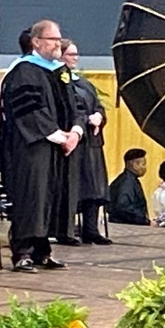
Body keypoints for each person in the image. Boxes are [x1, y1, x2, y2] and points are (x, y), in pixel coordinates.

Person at [0, 19, 83, 273]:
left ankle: (43, 251)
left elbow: (77, 106)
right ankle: (23, 252)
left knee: (52, 197)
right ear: (37, 42)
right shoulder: (23, 72)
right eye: (53, 40)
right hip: (32, 149)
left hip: (60, 148)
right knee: (32, 197)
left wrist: (76, 132)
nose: (58, 44)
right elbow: (29, 111)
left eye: (59, 39)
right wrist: (59, 136)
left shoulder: (60, 71)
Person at [60, 40, 111, 245]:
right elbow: (71, 108)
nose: (75, 57)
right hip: (76, 143)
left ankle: (91, 229)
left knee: (94, 187)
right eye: (71, 54)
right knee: (75, 188)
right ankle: (68, 230)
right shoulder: (61, 82)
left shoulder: (83, 83)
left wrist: (99, 115)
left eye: (76, 54)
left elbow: (97, 105)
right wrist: (85, 119)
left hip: (92, 143)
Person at [108, 148, 150, 226]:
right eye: (143, 164)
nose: (145, 167)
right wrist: (143, 219)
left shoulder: (127, 179)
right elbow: (123, 207)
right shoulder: (127, 182)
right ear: (135, 165)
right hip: (126, 227)